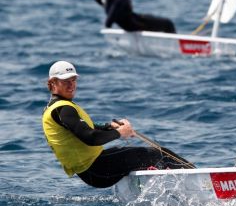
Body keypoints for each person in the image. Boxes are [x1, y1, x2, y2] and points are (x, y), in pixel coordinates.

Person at [42, 61, 192, 188]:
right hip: (97, 169)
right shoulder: (64, 108)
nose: (71, 85)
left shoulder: (53, 107)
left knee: (141, 154)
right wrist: (120, 133)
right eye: (65, 81)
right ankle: (199, 181)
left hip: (92, 172)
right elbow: (90, 137)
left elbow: (87, 128)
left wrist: (109, 126)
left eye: (73, 80)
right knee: (159, 154)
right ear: (53, 83)